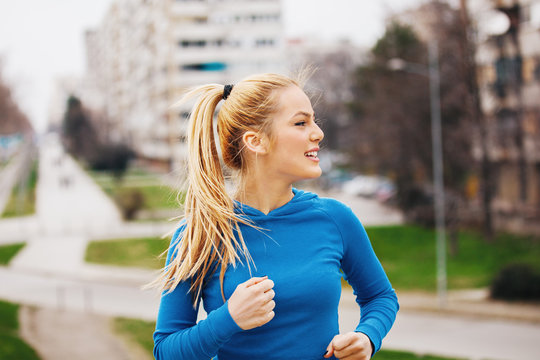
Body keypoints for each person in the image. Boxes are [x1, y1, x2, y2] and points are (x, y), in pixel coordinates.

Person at [151, 73, 399, 360]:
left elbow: (381, 297)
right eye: (300, 123)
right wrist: (228, 318)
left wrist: (368, 337)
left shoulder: (335, 219)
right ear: (256, 141)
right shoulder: (200, 234)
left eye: (314, 120)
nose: (317, 133)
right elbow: (165, 351)